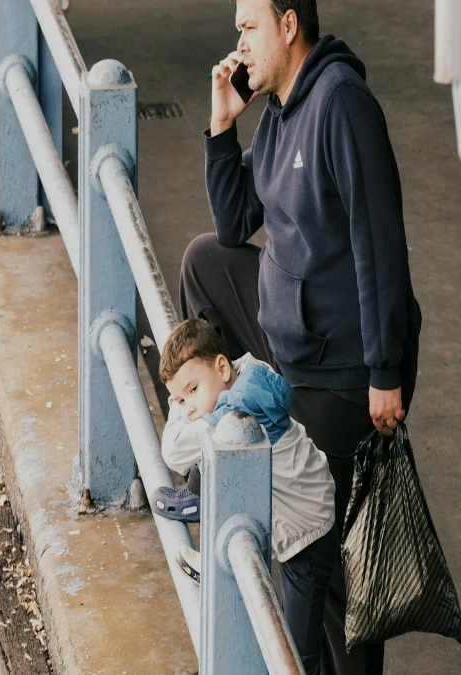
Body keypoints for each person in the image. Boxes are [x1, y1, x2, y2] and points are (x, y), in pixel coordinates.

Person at [184, 0, 423, 672]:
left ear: (289, 26)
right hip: (291, 336)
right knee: (204, 259)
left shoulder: (341, 105)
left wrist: (384, 371)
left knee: (318, 558)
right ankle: (215, 430)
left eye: (249, 26)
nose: (238, 43)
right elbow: (236, 224)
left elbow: (381, 245)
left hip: (341, 365)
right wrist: (221, 128)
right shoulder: (284, 110)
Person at [155, 318, 337, 675]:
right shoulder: (249, 371)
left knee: (297, 655)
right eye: (179, 399)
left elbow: (173, 450)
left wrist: (176, 406)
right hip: (309, 512)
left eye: (192, 390)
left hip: (307, 538)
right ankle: (210, 539)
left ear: (222, 366)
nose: (188, 407)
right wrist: (184, 392)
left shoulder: (235, 411)